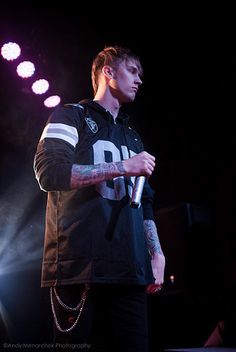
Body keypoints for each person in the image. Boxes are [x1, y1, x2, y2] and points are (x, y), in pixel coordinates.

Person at [34, 45, 165, 351]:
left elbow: (144, 202)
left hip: (131, 272)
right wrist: (122, 166)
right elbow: (49, 173)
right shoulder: (70, 115)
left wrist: (156, 254)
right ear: (108, 71)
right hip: (79, 269)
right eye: (133, 71)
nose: (139, 80)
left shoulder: (132, 136)